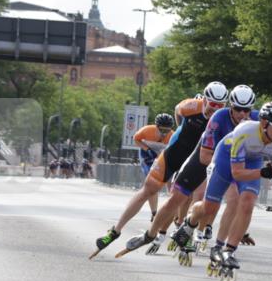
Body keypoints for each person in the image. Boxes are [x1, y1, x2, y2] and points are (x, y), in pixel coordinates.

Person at [89, 81, 228, 258]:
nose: (214, 110)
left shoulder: (223, 118)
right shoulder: (192, 106)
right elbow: (178, 110)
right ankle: (115, 231)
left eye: (219, 106)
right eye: (211, 105)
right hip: (174, 154)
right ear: (205, 100)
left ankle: (181, 230)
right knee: (148, 190)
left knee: (184, 197)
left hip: (194, 161)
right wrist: (182, 129)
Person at [121, 85, 259, 257]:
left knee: (227, 200)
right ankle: (152, 233)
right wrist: (184, 129)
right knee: (178, 198)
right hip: (206, 157)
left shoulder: (257, 121)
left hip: (232, 160)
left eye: (246, 110)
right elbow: (203, 156)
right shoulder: (217, 118)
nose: (242, 115)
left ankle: (209, 239)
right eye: (238, 109)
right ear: (231, 107)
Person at [180, 101, 272, 278]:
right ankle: (189, 222)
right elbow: (238, 173)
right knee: (209, 207)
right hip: (226, 158)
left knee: (247, 202)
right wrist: (261, 172)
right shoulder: (244, 133)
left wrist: (265, 167)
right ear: (264, 123)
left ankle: (227, 250)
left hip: (254, 159)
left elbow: (270, 152)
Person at [133, 113, 174, 220]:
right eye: (161, 130)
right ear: (156, 127)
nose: (164, 133)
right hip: (147, 154)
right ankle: (154, 212)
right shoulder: (146, 131)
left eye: (167, 130)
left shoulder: (173, 136)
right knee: (152, 183)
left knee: (171, 180)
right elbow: (136, 139)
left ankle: (173, 206)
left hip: (161, 154)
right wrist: (147, 149)